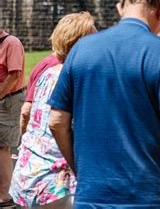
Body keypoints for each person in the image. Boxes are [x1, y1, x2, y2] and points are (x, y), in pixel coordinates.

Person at [47, 0, 160, 208]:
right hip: (154, 196)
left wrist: (82, 171)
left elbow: (56, 121)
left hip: (94, 196)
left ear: (120, 7)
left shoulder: (80, 51)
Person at [9, 12, 96, 208]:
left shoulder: (48, 74)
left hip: (27, 173)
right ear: (81, 43)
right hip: (55, 181)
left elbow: (29, 114)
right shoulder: (78, 78)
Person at [0, 30, 25, 208]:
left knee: (3, 145)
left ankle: (5, 196)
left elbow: (14, 74)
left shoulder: (11, 43)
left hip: (8, 99)